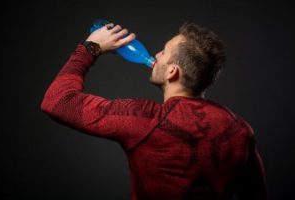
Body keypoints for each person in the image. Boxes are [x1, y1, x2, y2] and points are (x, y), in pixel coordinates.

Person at [40, 21, 267, 200]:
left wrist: (90, 47)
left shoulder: (146, 120)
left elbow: (57, 100)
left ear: (172, 72)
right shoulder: (239, 130)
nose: (156, 54)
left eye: (164, 52)